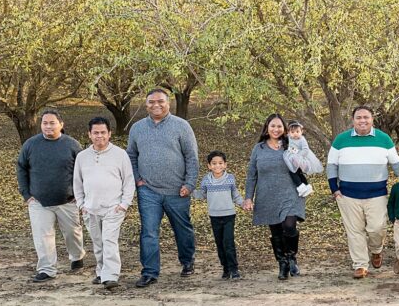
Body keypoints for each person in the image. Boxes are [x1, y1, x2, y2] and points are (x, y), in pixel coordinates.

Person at [126, 88, 200, 287]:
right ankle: (150, 272)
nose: (155, 105)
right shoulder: (137, 128)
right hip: (148, 190)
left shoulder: (181, 126)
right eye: (151, 102)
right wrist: (137, 180)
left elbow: (192, 158)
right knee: (149, 231)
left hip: (178, 190)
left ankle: (187, 261)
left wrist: (189, 184)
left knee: (182, 230)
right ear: (146, 104)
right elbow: (131, 156)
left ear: (168, 104)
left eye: (160, 101)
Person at [327, 106, 399, 279]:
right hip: (347, 195)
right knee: (355, 231)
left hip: (377, 194)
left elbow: (397, 164)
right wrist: (334, 188)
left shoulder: (384, 139)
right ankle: (360, 264)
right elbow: (332, 165)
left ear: (372, 119)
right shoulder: (341, 140)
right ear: (353, 120)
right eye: (359, 117)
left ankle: (376, 250)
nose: (362, 120)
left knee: (377, 228)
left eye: (366, 117)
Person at [16, 108, 86, 282]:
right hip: (39, 201)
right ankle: (47, 269)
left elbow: (84, 170)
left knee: (72, 233)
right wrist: (26, 194)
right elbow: (21, 168)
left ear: (61, 124)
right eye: (44, 123)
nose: (48, 126)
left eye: (52, 123)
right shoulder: (30, 145)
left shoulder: (72, 144)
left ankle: (77, 256)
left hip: (68, 200)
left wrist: (81, 194)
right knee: (43, 236)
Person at [73, 117, 135, 289]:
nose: (99, 136)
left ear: (109, 134)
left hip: (113, 208)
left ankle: (111, 275)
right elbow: (77, 182)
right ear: (89, 134)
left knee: (109, 241)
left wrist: (124, 204)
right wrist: (81, 205)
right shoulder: (82, 157)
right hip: (90, 208)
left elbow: (129, 181)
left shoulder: (120, 154)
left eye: (103, 132)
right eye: (95, 133)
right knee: (98, 242)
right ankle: (101, 272)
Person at [244, 114, 306, 280]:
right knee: (276, 232)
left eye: (279, 126)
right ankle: (282, 262)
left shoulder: (291, 145)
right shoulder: (259, 148)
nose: (276, 129)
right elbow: (251, 174)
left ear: (284, 129)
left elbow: (304, 164)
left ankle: (292, 257)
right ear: (266, 128)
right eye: (273, 126)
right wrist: (248, 197)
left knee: (289, 225)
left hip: (290, 193)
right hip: (267, 195)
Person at [194, 151, 245, 280]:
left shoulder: (230, 179)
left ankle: (234, 269)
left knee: (228, 242)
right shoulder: (206, 180)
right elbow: (202, 195)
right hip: (214, 216)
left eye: (220, 163)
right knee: (219, 243)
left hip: (229, 215)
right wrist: (189, 191)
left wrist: (243, 203)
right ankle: (226, 268)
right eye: (214, 163)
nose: (217, 166)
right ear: (209, 166)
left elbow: (235, 195)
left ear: (225, 165)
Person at [284, 121, 323, 197]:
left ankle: (300, 185)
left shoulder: (302, 139)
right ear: (288, 133)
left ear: (301, 131)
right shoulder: (288, 138)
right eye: (292, 132)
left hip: (300, 158)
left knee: (292, 171)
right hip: (292, 157)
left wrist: (298, 156)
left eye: (297, 131)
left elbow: (305, 149)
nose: (295, 134)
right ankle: (306, 185)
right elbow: (283, 142)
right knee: (298, 172)